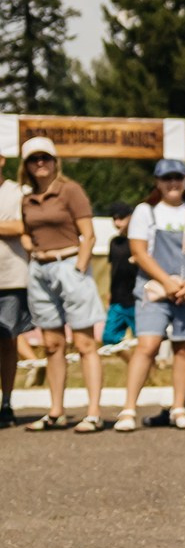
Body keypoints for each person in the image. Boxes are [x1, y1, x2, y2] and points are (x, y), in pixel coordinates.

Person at [112, 161, 185, 433]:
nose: (173, 183)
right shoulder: (146, 212)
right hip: (154, 288)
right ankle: (128, 408)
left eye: (178, 178)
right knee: (148, 344)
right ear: (157, 181)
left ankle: (179, 407)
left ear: (184, 180)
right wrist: (166, 281)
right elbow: (140, 251)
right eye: (167, 178)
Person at [19, 138, 104, 432]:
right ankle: (56, 411)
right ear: (26, 165)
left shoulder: (70, 190)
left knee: (84, 342)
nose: (40, 163)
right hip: (39, 270)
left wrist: (79, 268)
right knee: (52, 344)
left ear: (55, 161)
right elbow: (26, 232)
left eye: (45, 157)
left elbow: (89, 235)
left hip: (69, 265)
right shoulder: (26, 198)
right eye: (33, 159)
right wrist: (33, 249)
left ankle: (93, 413)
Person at [0, 155, 29, 426]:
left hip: (11, 278)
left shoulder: (17, 192)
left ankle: (6, 403)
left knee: (9, 341)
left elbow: (22, 226)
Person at [101, 199, 140, 351]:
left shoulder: (140, 241)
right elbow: (113, 269)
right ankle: (133, 364)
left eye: (121, 218)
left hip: (136, 298)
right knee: (109, 339)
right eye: (114, 219)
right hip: (117, 299)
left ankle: (151, 373)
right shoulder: (114, 242)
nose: (117, 222)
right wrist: (110, 292)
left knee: (144, 341)